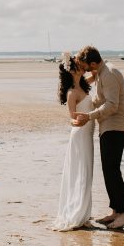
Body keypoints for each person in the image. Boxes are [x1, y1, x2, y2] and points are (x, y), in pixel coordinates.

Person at [73, 46, 124, 230]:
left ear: (93, 63)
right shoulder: (101, 72)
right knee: (108, 170)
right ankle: (116, 211)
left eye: (87, 67)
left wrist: (89, 116)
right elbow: (84, 80)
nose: (86, 71)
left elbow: (112, 105)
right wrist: (76, 74)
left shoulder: (110, 73)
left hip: (116, 126)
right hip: (107, 126)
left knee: (112, 170)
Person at [52, 54, 94, 231]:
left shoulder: (85, 84)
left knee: (87, 172)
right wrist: (78, 121)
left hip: (88, 135)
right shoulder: (72, 93)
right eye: (77, 66)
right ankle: (78, 213)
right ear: (71, 71)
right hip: (79, 135)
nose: (80, 67)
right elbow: (71, 118)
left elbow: (96, 72)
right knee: (80, 173)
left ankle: (83, 213)